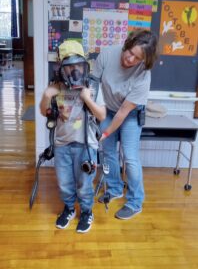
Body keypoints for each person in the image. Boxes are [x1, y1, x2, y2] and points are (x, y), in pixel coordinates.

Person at [40, 40, 106, 233]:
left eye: (78, 65)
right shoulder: (56, 87)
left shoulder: (92, 86)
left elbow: (101, 115)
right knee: (64, 182)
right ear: (62, 67)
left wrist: (87, 98)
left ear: (84, 65)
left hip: (86, 145)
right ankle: (69, 208)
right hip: (62, 144)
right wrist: (46, 95)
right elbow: (45, 112)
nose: (74, 70)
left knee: (85, 183)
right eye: (70, 66)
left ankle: (86, 212)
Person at [93, 29, 158, 220]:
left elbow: (123, 113)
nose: (130, 59)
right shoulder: (107, 54)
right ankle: (114, 189)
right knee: (108, 153)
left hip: (129, 114)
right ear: (127, 44)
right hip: (108, 108)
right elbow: (93, 83)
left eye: (136, 58)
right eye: (130, 52)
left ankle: (135, 202)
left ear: (143, 61)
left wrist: (104, 134)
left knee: (130, 157)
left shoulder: (143, 76)